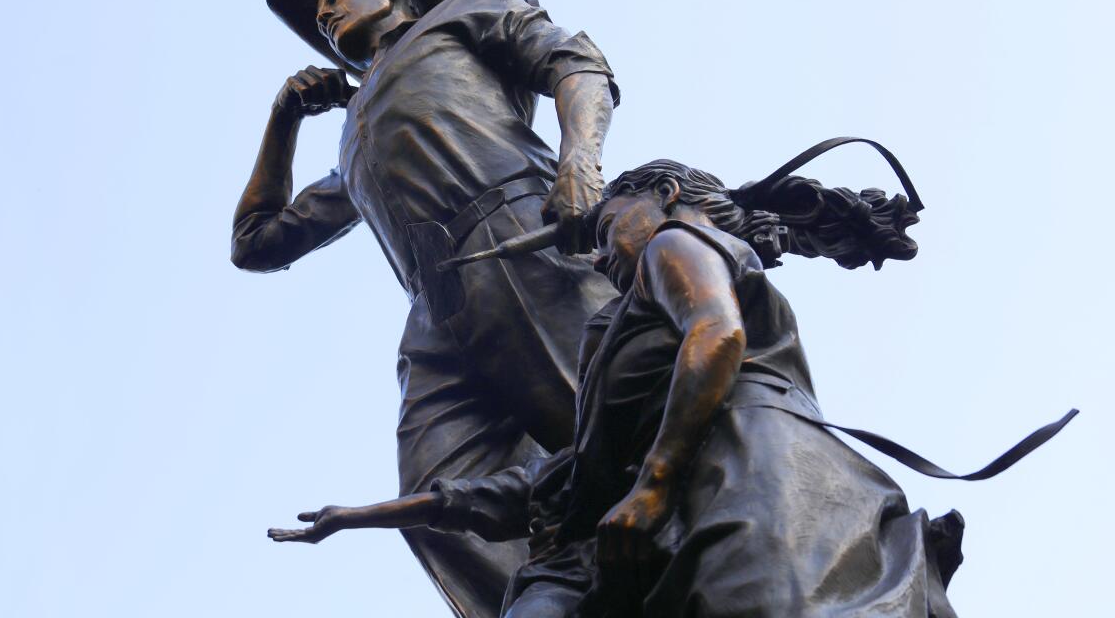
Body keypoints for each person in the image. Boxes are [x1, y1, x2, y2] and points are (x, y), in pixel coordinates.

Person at [270, 159, 964, 618]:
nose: (599, 256)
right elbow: (534, 484)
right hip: (734, 482)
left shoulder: (673, 243)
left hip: (755, 480)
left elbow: (716, 335)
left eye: (604, 230)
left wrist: (654, 484)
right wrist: (358, 515)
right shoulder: (629, 321)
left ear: (661, 197)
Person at [233, 0, 619, 617]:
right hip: (437, 315)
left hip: (526, 249)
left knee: (619, 441)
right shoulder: (354, 131)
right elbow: (255, 242)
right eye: (318, 9)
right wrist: (285, 115)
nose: (322, 12)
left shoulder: (465, 14)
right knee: (437, 502)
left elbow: (577, 65)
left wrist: (579, 161)